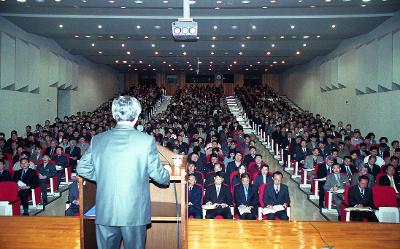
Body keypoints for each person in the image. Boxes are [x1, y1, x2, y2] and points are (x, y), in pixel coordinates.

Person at [77, 96, 170, 249]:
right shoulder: (146, 141)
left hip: (106, 211)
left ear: (114, 115)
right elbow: (158, 176)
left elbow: (82, 168)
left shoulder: (98, 139)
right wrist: (166, 173)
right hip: (134, 213)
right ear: (137, 116)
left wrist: (102, 176)